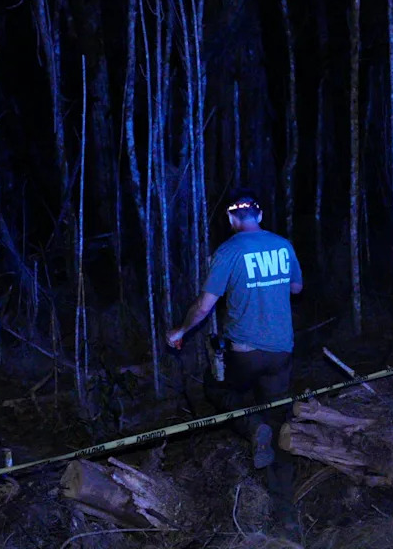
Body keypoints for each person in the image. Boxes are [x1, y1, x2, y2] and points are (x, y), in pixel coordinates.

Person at [166, 189, 303, 531]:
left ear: (231, 219)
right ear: (260, 215)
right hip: (281, 348)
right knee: (276, 413)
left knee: (223, 395)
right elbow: (297, 288)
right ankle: (285, 510)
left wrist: (181, 330)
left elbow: (204, 305)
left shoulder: (228, 251)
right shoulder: (283, 245)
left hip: (244, 351)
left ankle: (251, 427)